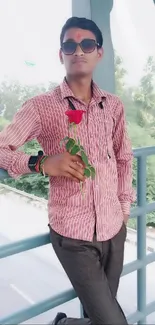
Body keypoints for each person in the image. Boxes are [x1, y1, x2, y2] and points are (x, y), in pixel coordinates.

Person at [0, 17, 135, 324]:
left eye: (87, 44)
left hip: (114, 228)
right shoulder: (40, 106)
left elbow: (124, 158)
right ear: (60, 54)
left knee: (98, 317)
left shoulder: (112, 105)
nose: (78, 50)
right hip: (73, 233)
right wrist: (42, 163)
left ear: (99, 52)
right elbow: (2, 148)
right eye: (69, 45)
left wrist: (124, 209)